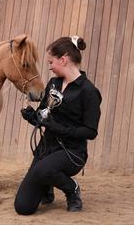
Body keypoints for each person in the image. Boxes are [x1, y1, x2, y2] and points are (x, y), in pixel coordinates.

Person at [14, 36, 102, 215]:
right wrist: (32, 116)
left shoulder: (89, 92)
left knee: (42, 170)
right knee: (23, 207)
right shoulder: (54, 83)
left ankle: (72, 189)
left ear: (64, 59)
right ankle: (47, 183)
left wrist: (57, 127)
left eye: (51, 62)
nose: (50, 67)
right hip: (47, 148)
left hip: (71, 152)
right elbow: (43, 114)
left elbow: (91, 132)